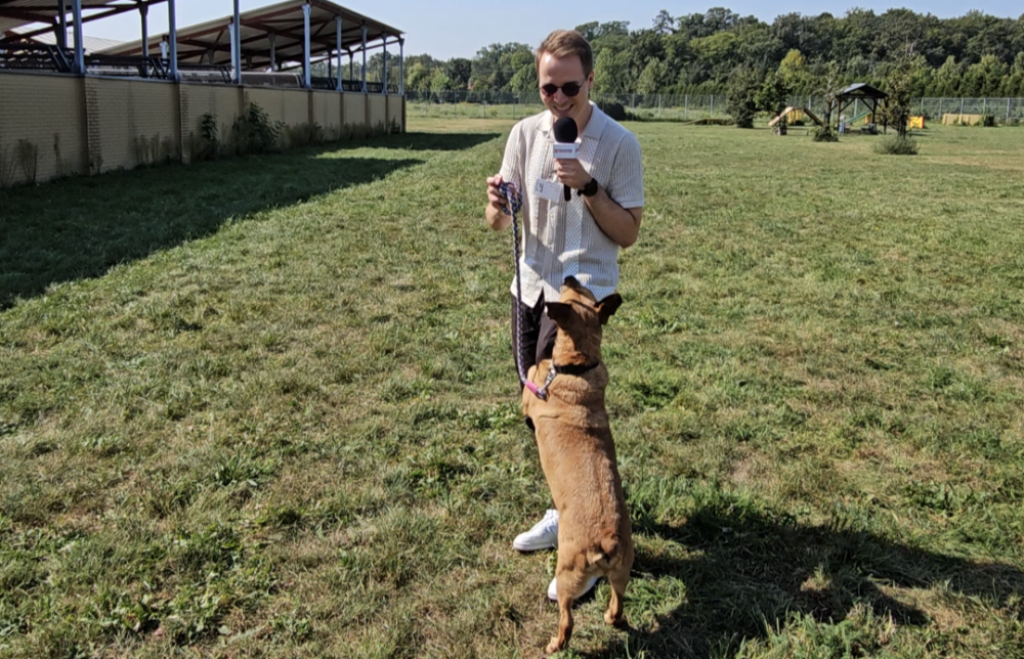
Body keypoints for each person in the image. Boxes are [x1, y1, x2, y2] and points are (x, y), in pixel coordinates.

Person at [484, 29, 645, 601]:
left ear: (591, 81)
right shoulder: (524, 135)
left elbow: (627, 232)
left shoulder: (619, 143)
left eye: (568, 88)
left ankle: (590, 537)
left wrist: (590, 186)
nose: (556, 100)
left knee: (572, 421)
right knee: (539, 415)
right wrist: (498, 204)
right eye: (546, 87)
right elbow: (499, 224)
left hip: (578, 306)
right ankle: (566, 509)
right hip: (527, 292)